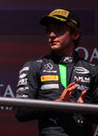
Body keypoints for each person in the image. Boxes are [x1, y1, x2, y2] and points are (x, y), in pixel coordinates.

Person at [14, 8, 98, 136]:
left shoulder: (93, 70)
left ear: (75, 34)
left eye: (58, 30)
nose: (52, 35)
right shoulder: (35, 66)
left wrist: (86, 109)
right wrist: (56, 105)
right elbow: (20, 111)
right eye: (49, 30)